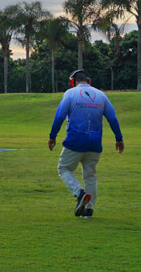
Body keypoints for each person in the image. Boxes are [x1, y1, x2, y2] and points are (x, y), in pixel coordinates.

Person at [48, 69, 124, 218]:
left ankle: (79, 193)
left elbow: (59, 117)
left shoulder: (70, 94)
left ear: (72, 82)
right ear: (88, 81)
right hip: (95, 143)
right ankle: (88, 209)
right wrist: (119, 138)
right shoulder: (101, 95)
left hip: (75, 141)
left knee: (63, 168)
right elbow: (112, 118)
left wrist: (52, 136)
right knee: (90, 175)